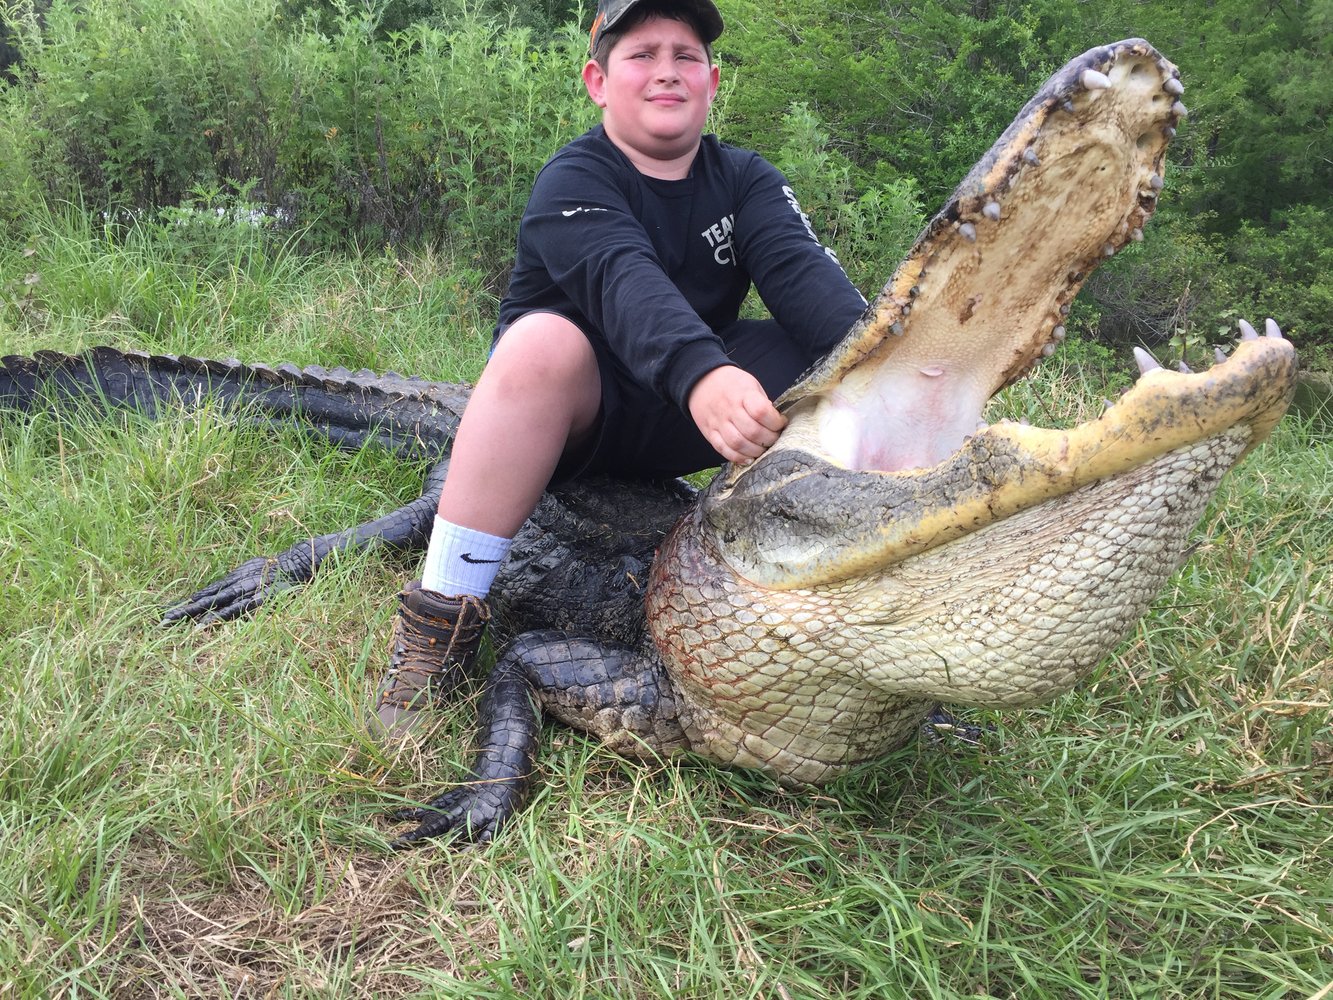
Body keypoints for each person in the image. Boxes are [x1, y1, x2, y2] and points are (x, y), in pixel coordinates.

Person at [370, 0, 868, 737]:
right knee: (544, 341)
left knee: (847, 361)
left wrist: (908, 360)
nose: (665, 70)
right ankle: (438, 626)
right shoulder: (572, 179)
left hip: (683, 415)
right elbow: (625, 283)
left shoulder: (746, 179)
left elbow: (806, 280)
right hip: (578, 418)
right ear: (598, 80)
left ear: (711, 79)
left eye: (684, 55)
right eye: (641, 54)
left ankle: (857, 602)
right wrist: (704, 371)